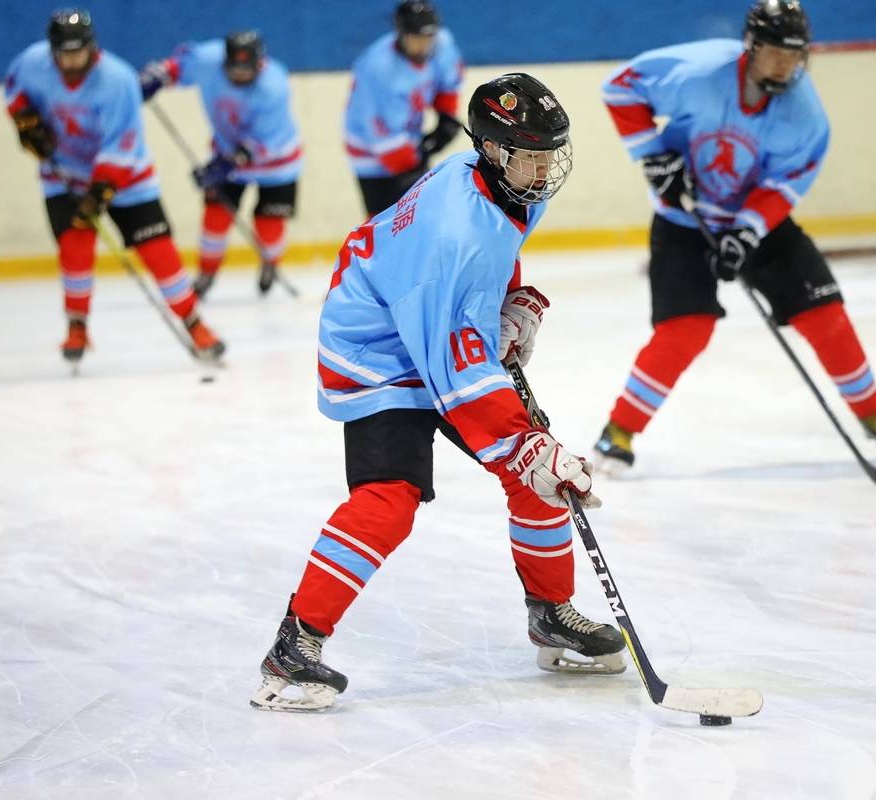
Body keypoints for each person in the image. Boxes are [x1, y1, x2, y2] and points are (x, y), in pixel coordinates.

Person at [252, 73, 624, 712]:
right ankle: (295, 646)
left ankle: (551, 613)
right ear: (493, 148)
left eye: (547, 153)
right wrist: (524, 443)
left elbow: (494, 253)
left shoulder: (501, 180)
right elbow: (451, 369)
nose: (542, 168)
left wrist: (507, 301)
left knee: (531, 469)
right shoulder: (452, 235)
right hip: (377, 349)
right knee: (390, 496)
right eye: (529, 154)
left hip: (430, 319)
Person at [592, 0, 876, 477]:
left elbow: (786, 184)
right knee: (686, 329)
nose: (786, 64)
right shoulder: (700, 71)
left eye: (795, 54)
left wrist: (747, 232)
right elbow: (619, 89)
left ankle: (874, 416)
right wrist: (653, 156)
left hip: (757, 224)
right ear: (751, 47)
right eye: (776, 52)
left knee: (826, 315)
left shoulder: (805, 115)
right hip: (684, 221)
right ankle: (618, 432)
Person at [4, 8, 224, 365]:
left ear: (93, 47)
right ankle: (77, 327)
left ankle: (194, 323)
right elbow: (14, 92)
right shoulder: (32, 63)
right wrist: (24, 121)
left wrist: (100, 191)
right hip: (64, 174)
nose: (72, 60)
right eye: (64, 53)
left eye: (78, 52)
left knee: (159, 252)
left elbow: (122, 145)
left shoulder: (118, 80)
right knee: (74, 248)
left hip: (128, 179)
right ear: (52, 50)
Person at [140, 30, 303, 298]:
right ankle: (206, 273)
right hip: (228, 151)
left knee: (269, 221)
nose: (239, 76)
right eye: (233, 69)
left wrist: (227, 165)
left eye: (246, 71)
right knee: (216, 215)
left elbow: (263, 142)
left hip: (276, 160)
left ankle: (269, 263)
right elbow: (178, 66)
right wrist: (161, 75)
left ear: (259, 64)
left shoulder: (274, 84)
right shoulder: (208, 59)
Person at [345, 0, 464, 219]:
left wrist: (446, 118)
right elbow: (380, 135)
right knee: (384, 223)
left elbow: (448, 81)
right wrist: (414, 167)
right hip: (369, 149)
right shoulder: (378, 70)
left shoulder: (442, 43)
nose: (424, 45)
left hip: (407, 136)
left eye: (428, 37)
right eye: (416, 38)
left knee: (422, 215)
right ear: (401, 33)